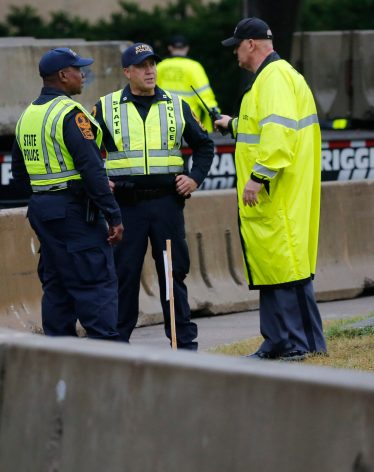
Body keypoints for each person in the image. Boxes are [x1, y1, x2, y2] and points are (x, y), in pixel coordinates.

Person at [214, 18, 327, 360]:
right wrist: (232, 125)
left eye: (236, 44)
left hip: (276, 192)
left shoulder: (273, 78)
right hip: (279, 193)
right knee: (274, 267)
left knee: (285, 266)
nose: (235, 52)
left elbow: (278, 134)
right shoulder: (272, 78)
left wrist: (258, 177)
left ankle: (298, 344)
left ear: (251, 44)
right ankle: (279, 341)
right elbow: (263, 126)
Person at [93, 43, 214, 347]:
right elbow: (87, 153)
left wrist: (195, 178)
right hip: (126, 206)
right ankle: (117, 345)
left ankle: (182, 343)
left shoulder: (176, 104)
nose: (150, 71)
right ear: (127, 72)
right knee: (124, 276)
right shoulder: (105, 108)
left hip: (166, 205)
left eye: (152, 65)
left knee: (173, 276)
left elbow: (204, 145)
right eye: (142, 66)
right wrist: (100, 181)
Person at [11, 47, 125, 341]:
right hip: (75, 213)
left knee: (58, 286)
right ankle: (107, 357)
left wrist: (46, 194)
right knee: (95, 283)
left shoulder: (28, 116)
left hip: (43, 210)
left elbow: (19, 173)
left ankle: (60, 359)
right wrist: (113, 215)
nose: (83, 74)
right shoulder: (70, 115)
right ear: (63, 76)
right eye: (78, 69)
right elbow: (92, 169)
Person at [157, 34, 221, 133]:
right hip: (189, 124)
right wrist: (217, 116)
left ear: (170, 48)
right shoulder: (194, 67)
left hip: (162, 122)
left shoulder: (160, 66)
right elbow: (206, 96)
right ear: (187, 48)